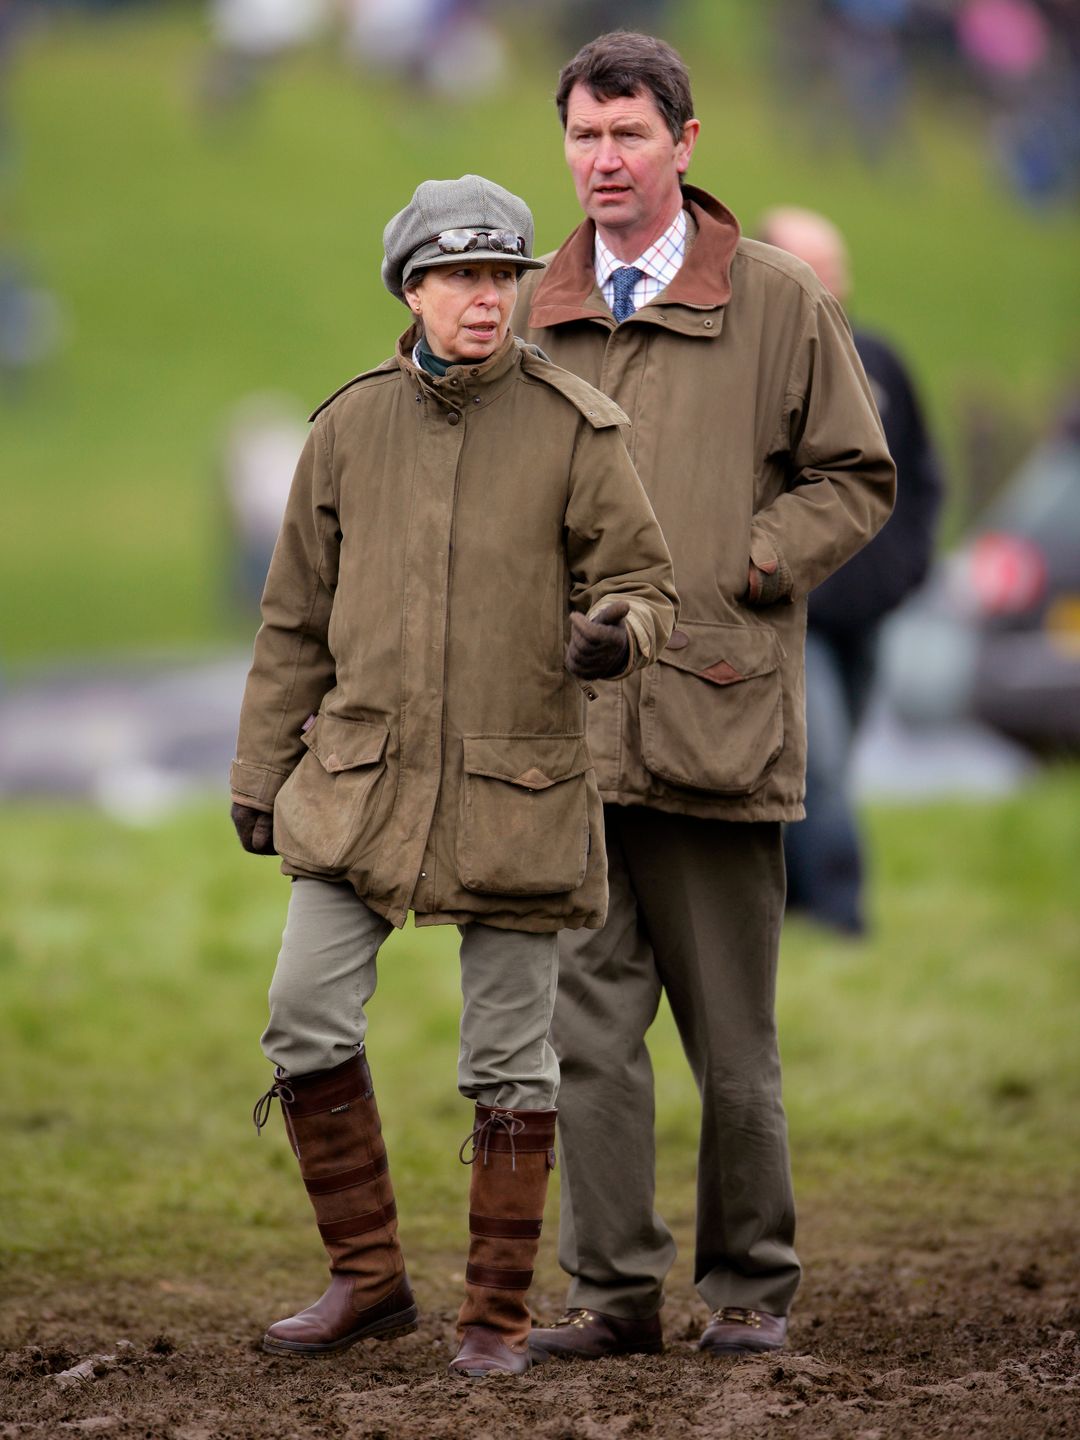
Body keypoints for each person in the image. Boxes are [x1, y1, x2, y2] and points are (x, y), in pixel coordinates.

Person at [229, 174, 677, 1378]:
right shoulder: (345, 429)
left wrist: (616, 632)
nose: (488, 299)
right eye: (462, 277)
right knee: (303, 1019)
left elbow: (648, 585)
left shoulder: (579, 428)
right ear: (412, 289)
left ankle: (495, 1316)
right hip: (356, 785)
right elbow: (291, 625)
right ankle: (367, 1285)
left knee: (509, 1065)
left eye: (503, 277)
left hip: (517, 790)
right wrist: (260, 773)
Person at [512, 32, 896, 1361]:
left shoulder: (782, 300)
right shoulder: (532, 309)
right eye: (582, 135)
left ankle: (749, 1290)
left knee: (735, 1046)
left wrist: (751, 559)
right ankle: (611, 1294)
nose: (601, 160)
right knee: (589, 1039)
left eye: (627, 135)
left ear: (685, 143)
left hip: (721, 713)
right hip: (572, 737)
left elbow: (856, 476)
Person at [758, 206, 943, 936]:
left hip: (871, 613)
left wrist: (909, 572)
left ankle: (793, 895)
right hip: (794, 613)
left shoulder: (881, 364)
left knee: (831, 759)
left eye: (836, 263)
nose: (833, 279)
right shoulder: (758, 372)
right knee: (820, 759)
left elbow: (921, 478)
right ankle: (842, 913)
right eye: (815, 265)